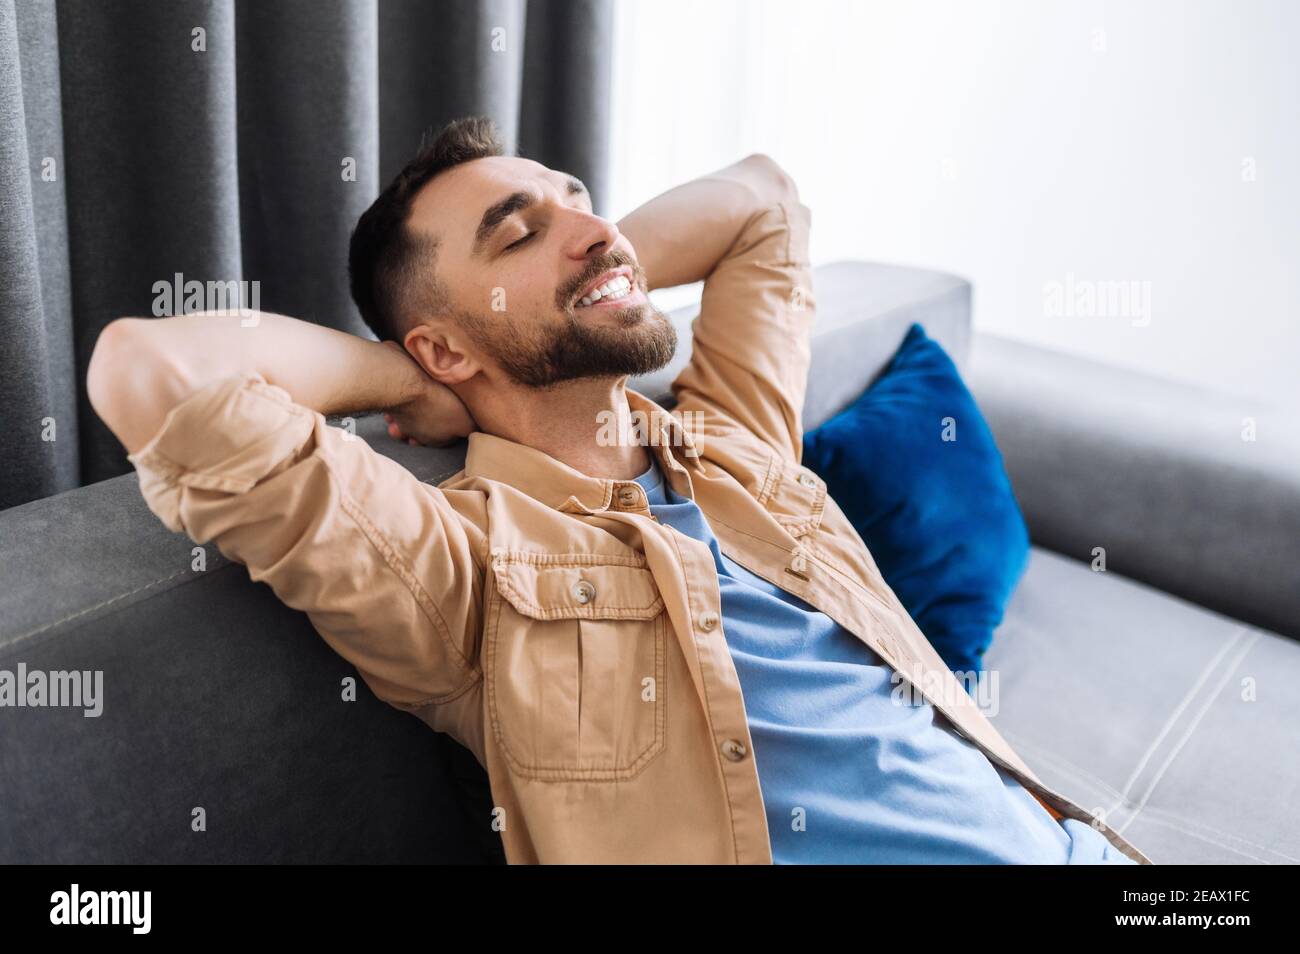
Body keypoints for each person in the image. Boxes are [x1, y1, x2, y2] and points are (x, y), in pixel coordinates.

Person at [88, 116, 1148, 865]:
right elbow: (148, 370)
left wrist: (584, 271)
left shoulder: (731, 444)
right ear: (444, 342)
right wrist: (415, 375)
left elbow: (763, 199)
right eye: (520, 232)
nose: (594, 231)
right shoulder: (464, 575)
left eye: (576, 199)